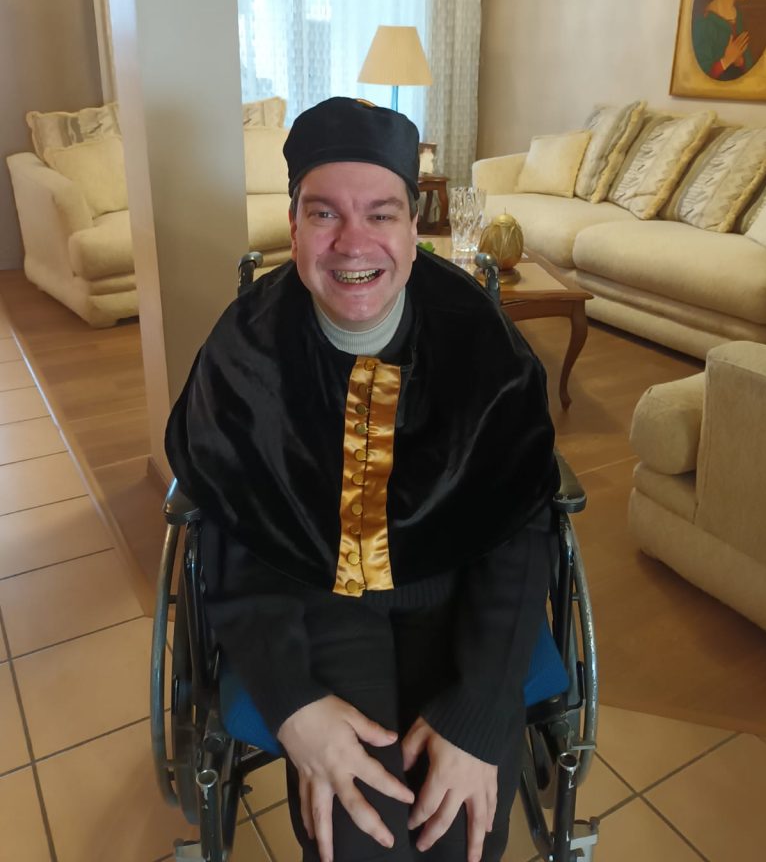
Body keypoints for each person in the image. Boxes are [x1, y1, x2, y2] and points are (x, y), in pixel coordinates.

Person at [165, 97, 559, 862]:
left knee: (460, 834)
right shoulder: (243, 356)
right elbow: (232, 537)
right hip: (312, 610)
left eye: (381, 214)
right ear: (293, 228)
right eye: (324, 214)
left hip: (458, 609)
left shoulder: (483, 346)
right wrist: (294, 706)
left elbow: (520, 528)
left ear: (415, 232)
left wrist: (480, 713)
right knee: (356, 838)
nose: (353, 242)